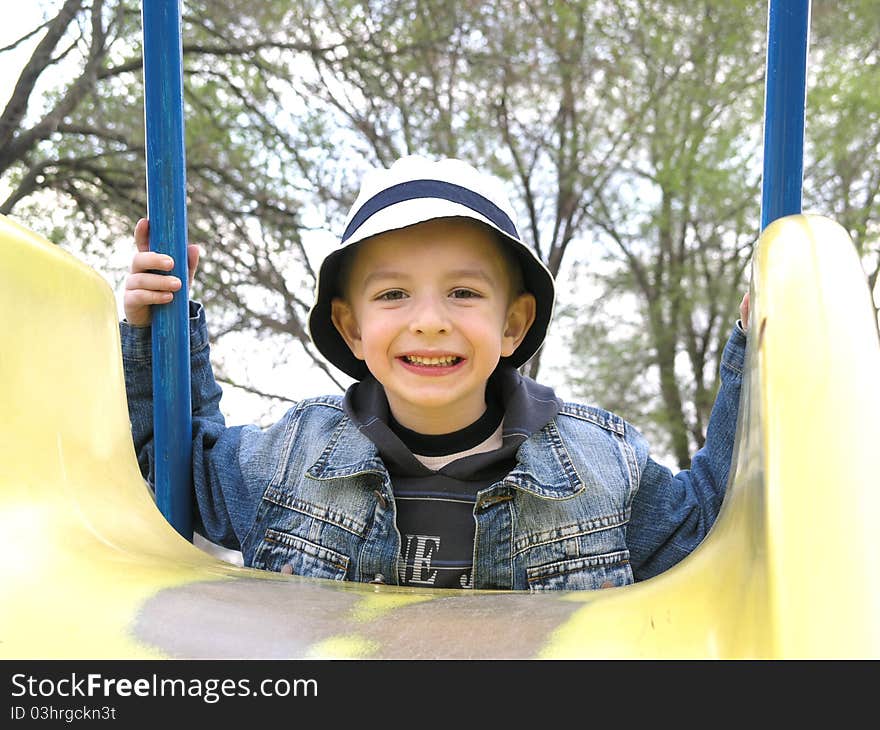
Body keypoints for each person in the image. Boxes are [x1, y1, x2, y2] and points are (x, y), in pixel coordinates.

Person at [121, 155, 749, 591]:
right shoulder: (291, 459)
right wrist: (158, 338)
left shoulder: (599, 470)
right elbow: (176, 468)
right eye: (393, 295)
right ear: (351, 327)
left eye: (464, 293)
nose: (428, 321)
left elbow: (711, 528)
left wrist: (754, 352)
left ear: (513, 324)